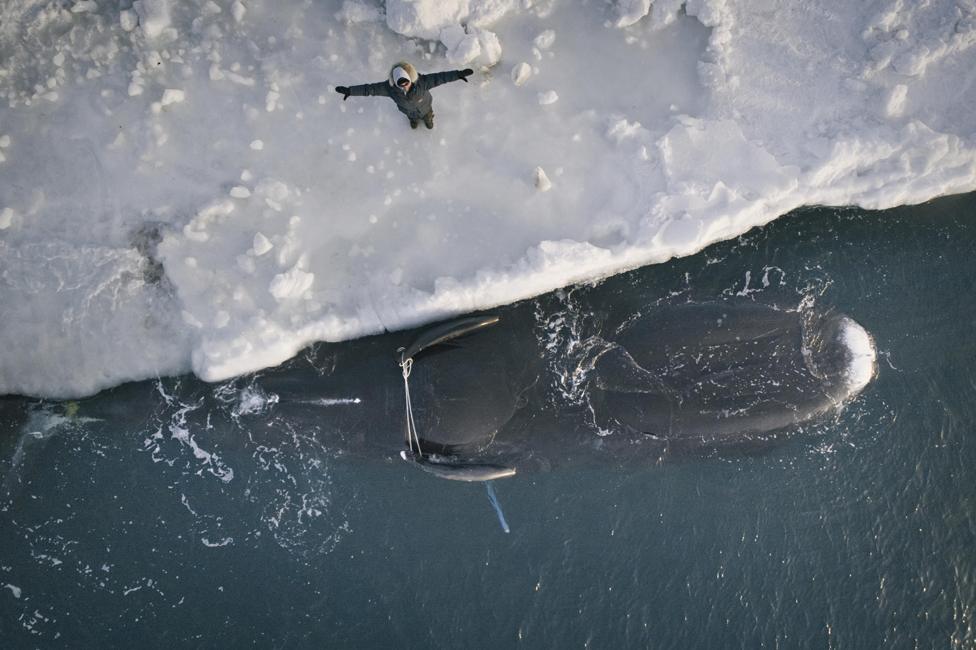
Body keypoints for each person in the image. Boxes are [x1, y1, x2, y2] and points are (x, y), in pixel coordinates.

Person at [335, 61, 474, 130]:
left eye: (406, 82)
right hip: (408, 111)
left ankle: (428, 119)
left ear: (410, 78)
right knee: (412, 118)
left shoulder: (423, 82)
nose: (404, 86)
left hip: (425, 108)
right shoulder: (389, 89)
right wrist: (350, 91)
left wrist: (458, 74)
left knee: (428, 119)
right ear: (395, 83)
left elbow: (441, 77)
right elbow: (369, 89)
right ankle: (413, 120)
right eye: (400, 84)